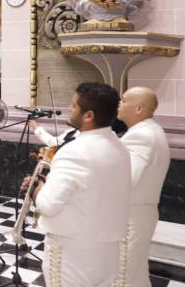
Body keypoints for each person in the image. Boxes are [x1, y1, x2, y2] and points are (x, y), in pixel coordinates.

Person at [25, 82, 131, 286]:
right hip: (108, 248)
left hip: (73, 253)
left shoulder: (75, 151)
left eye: (73, 106)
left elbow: (47, 206)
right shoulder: (120, 147)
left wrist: (37, 189)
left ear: (88, 115)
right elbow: (91, 188)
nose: (69, 110)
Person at [117, 87, 171, 287]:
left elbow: (126, 180)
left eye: (123, 100)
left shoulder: (141, 135)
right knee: (136, 275)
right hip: (140, 213)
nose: (119, 104)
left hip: (130, 217)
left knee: (122, 277)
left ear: (139, 108)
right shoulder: (150, 130)